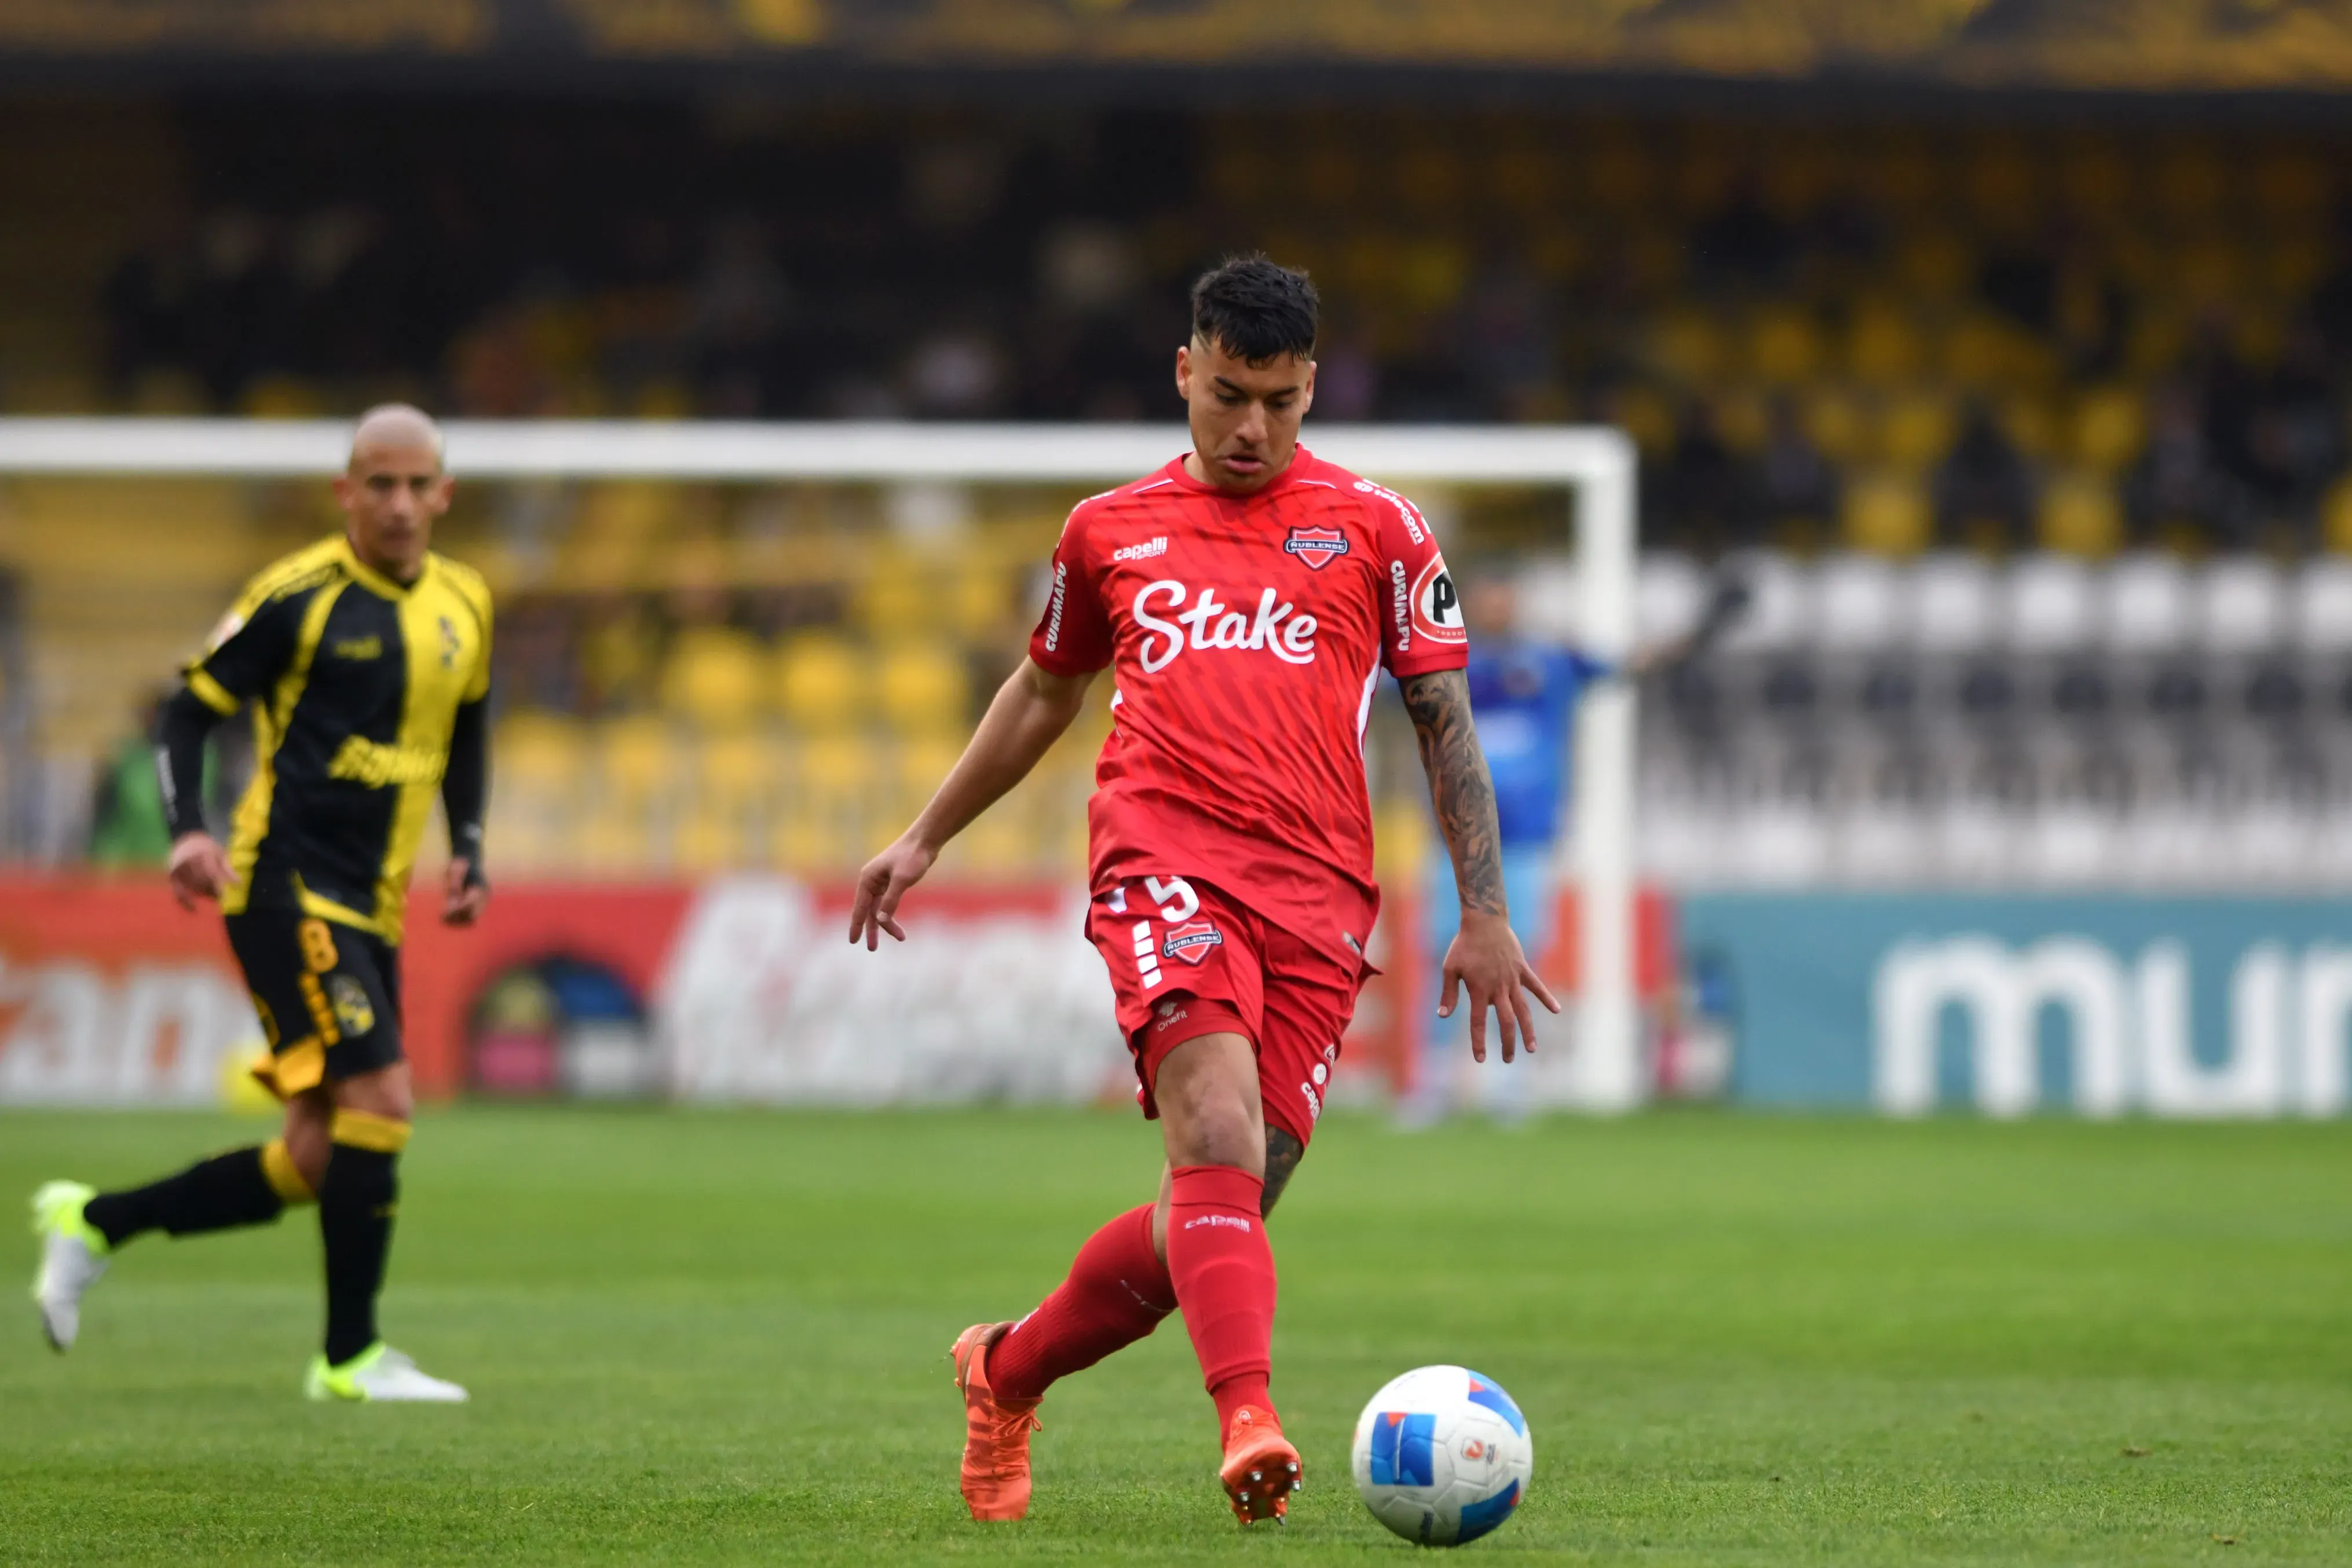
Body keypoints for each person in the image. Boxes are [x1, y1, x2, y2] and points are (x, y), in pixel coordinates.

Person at [846, 256, 1559, 1526]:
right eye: (1228, 394)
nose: (1250, 429)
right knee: (1216, 1137)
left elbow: (1440, 716)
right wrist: (924, 834)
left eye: (1279, 403)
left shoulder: (1378, 530)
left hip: (1320, 895)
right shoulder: (1105, 530)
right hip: (1160, 858)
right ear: (1184, 369)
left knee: (1220, 1207)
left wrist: (1483, 912)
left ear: (1310, 388)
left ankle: (1001, 1370)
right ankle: (1250, 1422)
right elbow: (1042, 693)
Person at [30, 405, 492, 1404]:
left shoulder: (467, 602)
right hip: (286, 883)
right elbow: (186, 706)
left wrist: (470, 847)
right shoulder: (297, 596)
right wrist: (185, 827)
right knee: (385, 1101)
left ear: (445, 493)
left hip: (375, 902)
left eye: (420, 485)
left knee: (316, 1156)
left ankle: (95, 1221)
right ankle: (350, 1358)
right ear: (347, 492)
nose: (402, 503)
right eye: (382, 483)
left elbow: (472, 727)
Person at [1408, 566, 1747, 1123]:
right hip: (1451, 838)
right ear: (1468, 605)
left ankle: (1509, 1090)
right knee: (1440, 960)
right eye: (1486, 599)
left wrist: (1703, 630)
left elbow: (1633, 662)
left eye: (1504, 598)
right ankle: (1431, 1087)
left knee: (1517, 960)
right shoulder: (1437, 662)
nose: (1496, 609)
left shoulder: (1550, 662)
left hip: (1523, 839)